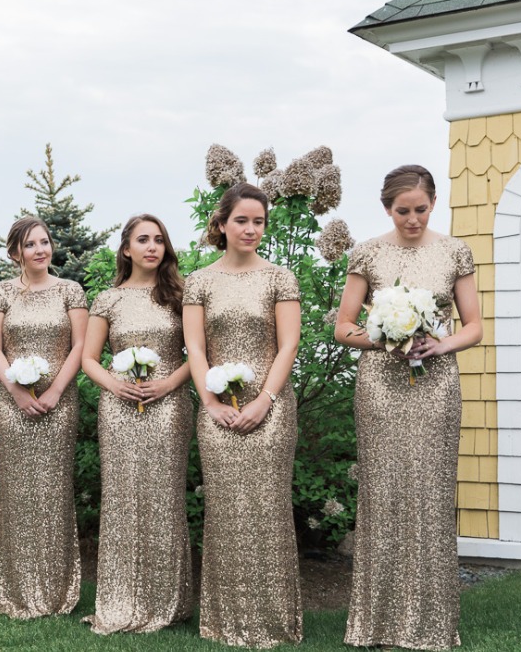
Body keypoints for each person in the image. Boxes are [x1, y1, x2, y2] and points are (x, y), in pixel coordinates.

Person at [336, 165, 482, 650]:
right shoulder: (369, 253)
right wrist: (386, 340)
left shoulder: (454, 251)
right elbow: (344, 327)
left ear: (433, 203)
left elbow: (473, 326)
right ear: (386, 209)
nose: (412, 219)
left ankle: (432, 622)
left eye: (420, 209)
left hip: (436, 384)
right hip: (381, 386)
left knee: (431, 493)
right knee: (384, 492)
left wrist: (438, 346)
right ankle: (375, 624)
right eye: (403, 211)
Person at [182, 184, 303, 647]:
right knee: (226, 510)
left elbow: (288, 343)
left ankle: (275, 621)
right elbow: (195, 346)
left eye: (258, 222)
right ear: (221, 224)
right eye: (242, 221)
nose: (251, 229)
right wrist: (209, 402)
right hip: (216, 414)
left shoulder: (279, 278)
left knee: (268, 509)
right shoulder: (200, 282)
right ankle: (224, 620)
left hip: (270, 410)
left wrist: (264, 401)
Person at [81, 214, 194, 634]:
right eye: (142, 240)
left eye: (159, 240)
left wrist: (167, 384)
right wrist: (115, 385)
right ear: (126, 249)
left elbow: (197, 355)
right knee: (123, 498)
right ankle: (119, 597)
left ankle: (168, 600)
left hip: (169, 407)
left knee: (163, 497)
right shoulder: (108, 299)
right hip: (119, 406)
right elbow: (89, 358)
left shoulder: (182, 295)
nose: (152, 247)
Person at [0, 216, 87, 619]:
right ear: (15, 253)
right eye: (31, 245)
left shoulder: (70, 291)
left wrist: (56, 389)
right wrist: (17, 391)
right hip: (13, 403)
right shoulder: (1, 293)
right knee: (19, 492)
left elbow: (80, 345)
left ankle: (59, 589)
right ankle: (18, 588)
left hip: (60, 402)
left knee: (54, 489)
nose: (40, 250)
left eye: (45, 242)